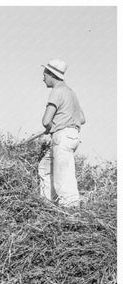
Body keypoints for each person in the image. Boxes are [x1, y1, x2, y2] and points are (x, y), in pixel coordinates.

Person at [38, 59, 86, 208]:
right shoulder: (71, 92)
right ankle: (47, 205)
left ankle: (71, 211)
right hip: (72, 135)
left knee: (63, 177)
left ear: (52, 75)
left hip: (62, 136)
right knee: (45, 167)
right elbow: (82, 119)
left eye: (45, 74)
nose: (43, 78)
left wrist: (53, 126)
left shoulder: (57, 91)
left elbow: (46, 121)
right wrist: (62, 121)